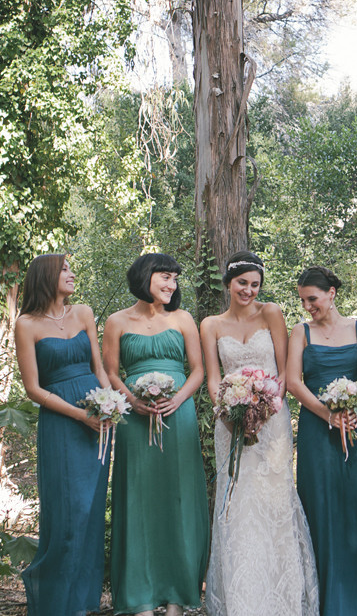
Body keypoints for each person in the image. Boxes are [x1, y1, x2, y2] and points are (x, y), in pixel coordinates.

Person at [202, 250, 319, 616]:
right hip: (230, 422)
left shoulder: (272, 313)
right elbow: (212, 378)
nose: (249, 291)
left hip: (272, 421)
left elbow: (284, 372)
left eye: (255, 284)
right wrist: (229, 411)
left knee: (275, 499)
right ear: (228, 283)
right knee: (237, 503)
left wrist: (265, 406)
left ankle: (283, 599)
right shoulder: (210, 324)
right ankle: (243, 599)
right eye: (242, 283)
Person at [103, 253, 209, 616]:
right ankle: (141, 599)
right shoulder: (116, 321)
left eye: (175, 279)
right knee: (139, 499)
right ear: (145, 276)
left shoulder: (182, 318)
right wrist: (132, 400)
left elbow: (197, 370)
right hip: (135, 419)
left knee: (178, 498)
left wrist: (177, 400)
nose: (172, 285)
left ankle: (177, 597)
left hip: (178, 417)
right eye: (165, 277)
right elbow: (112, 373)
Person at [15, 254, 110, 616]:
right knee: (67, 513)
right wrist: (78, 415)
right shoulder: (27, 324)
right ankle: (57, 605)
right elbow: (33, 389)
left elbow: (98, 368)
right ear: (46, 276)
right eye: (65, 269)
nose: (71, 274)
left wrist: (110, 405)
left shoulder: (83, 312)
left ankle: (83, 604)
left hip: (98, 422)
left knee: (90, 511)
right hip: (62, 422)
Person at [287, 266, 357, 616]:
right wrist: (327, 414)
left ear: (331, 293)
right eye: (303, 300)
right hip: (315, 431)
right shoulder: (301, 332)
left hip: (355, 429)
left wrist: (355, 408)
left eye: (312, 299)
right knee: (321, 510)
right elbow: (294, 382)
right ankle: (326, 604)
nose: (308, 306)